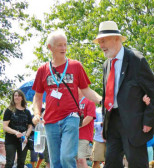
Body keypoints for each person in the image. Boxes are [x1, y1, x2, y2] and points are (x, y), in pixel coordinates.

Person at [93, 20, 154, 167]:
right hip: (112, 123)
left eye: (103, 41)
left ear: (116, 38)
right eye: (99, 42)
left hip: (134, 124)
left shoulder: (136, 60)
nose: (101, 45)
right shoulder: (106, 65)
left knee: (137, 164)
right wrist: (105, 119)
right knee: (110, 163)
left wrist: (149, 120)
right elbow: (107, 95)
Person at [32, 30, 102, 167]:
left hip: (71, 116)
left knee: (66, 157)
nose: (63, 48)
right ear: (50, 47)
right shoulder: (43, 70)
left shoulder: (75, 66)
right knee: (55, 162)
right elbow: (38, 96)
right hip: (50, 120)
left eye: (65, 44)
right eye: (59, 45)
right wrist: (36, 114)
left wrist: (102, 100)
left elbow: (86, 90)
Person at [3, 90, 33, 168]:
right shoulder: (9, 110)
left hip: (23, 140)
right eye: (15, 95)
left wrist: (26, 135)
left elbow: (30, 126)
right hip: (11, 140)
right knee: (10, 163)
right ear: (13, 97)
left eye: (19, 96)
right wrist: (16, 132)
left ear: (22, 98)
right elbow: (5, 127)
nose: (17, 97)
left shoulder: (27, 112)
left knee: (21, 163)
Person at [77, 89, 96, 168]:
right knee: (75, 160)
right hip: (72, 136)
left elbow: (90, 117)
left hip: (84, 136)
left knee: (81, 159)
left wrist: (77, 126)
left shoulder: (89, 101)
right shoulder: (72, 101)